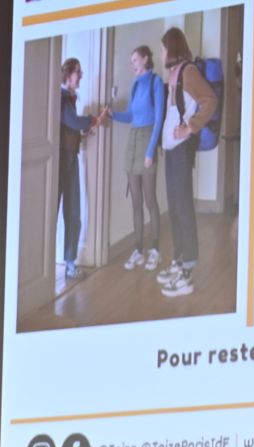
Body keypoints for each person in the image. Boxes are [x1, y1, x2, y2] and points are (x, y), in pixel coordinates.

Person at [155, 28, 218, 299]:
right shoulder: (173, 74)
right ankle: (179, 261)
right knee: (175, 209)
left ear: (172, 48)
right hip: (171, 151)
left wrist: (190, 127)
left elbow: (210, 100)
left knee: (183, 210)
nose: (160, 53)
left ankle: (187, 273)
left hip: (181, 151)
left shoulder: (188, 72)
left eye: (162, 48)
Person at [107, 46, 167, 273]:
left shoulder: (155, 82)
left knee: (150, 201)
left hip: (147, 138)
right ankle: (138, 250)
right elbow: (131, 116)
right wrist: (113, 115)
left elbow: (159, 118)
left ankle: (155, 250)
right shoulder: (135, 84)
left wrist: (151, 151)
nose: (132, 64)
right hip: (133, 141)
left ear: (145, 59)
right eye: (131, 60)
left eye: (134, 60)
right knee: (135, 202)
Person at [57, 58, 101, 280]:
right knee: (52, 214)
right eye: (78, 72)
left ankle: (70, 264)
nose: (81, 75)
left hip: (71, 158)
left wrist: (83, 131)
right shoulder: (60, 96)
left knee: (73, 213)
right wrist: (92, 120)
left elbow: (71, 127)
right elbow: (72, 121)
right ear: (68, 75)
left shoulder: (70, 98)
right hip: (58, 161)